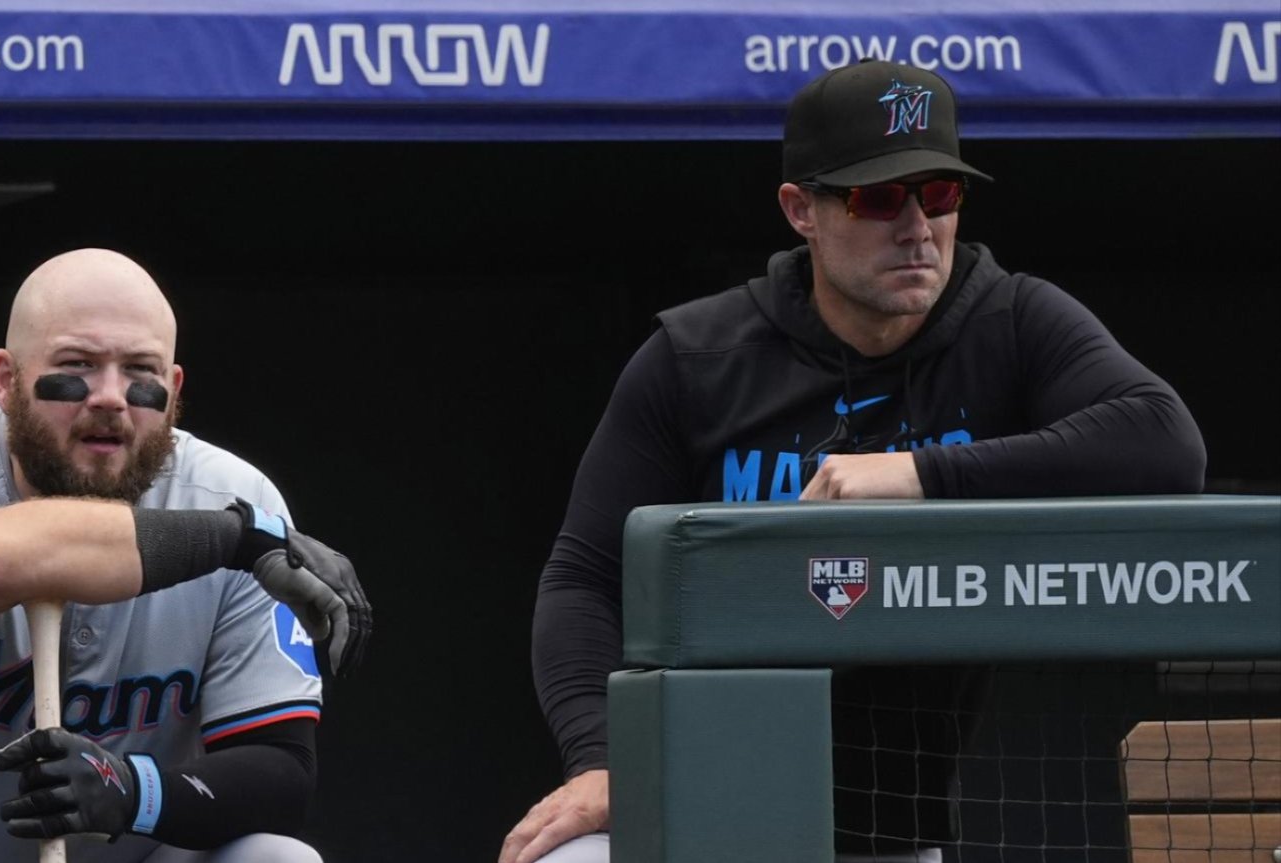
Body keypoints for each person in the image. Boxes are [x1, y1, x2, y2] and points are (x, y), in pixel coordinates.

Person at [500, 59, 1206, 863]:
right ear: (801, 210)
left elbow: (1163, 440)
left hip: (891, 827)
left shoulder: (1008, 320)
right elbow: (584, 578)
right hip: (697, 803)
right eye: (879, 197)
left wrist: (917, 474)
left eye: (939, 193)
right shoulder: (697, 357)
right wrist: (601, 760)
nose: (917, 227)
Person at [0, 248, 372, 863]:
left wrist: (132, 789)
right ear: (6, 379)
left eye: (140, 369)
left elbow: (282, 772)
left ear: (174, 386)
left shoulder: (234, 496)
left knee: (279, 860)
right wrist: (231, 541)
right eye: (78, 365)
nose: (112, 396)